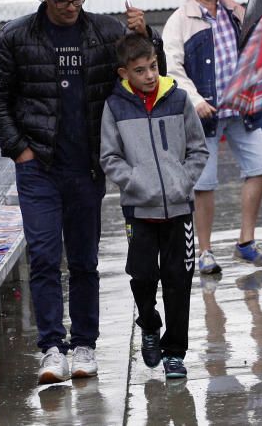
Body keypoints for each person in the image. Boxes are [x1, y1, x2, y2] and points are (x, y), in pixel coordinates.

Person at [0, 0, 162, 384]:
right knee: (44, 257)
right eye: (62, 0)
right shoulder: (17, 36)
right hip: (39, 166)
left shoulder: (105, 32)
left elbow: (151, 78)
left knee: (83, 260)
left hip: (87, 166)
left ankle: (84, 343)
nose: (71, 7)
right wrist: (19, 149)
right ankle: (50, 347)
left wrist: (144, 35)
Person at [99, 33, 208, 380]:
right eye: (140, 70)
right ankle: (149, 323)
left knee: (180, 280)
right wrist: (135, 182)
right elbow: (109, 156)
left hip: (179, 209)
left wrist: (182, 181)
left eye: (153, 67)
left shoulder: (177, 99)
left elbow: (198, 149)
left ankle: (175, 352)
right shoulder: (115, 106)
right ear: (123, 73)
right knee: (143, 275)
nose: (148, 75)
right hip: (139, 210)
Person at [162, 0, 262, 276]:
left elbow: (256, 25)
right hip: (206, 114)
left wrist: (226, 0)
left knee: (260, 168)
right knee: (205, 184)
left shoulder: (230, 10)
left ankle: (246, 242)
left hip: (240, 107)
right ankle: (205, 251)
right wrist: (195, 100)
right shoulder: (180, 21)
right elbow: (172, 69)